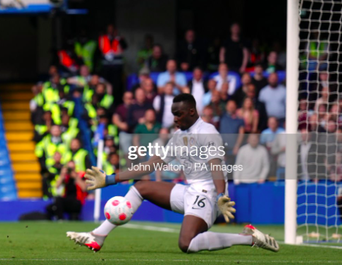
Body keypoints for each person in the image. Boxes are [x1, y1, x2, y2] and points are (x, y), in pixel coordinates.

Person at [67, 94, 279, 253]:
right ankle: (98, 236)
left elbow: (217, 165)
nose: (175, 119)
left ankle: (249, 237)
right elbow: (151, 164)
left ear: (192, 112)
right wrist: (110, 179)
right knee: (140, 187)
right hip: (189, 192)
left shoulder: (208, 132)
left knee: (187, 244)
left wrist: (222, 195)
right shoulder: (178, 137)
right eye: (173, 114)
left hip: (208, 196)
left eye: (179, 114)